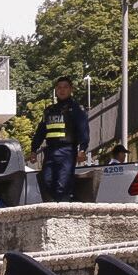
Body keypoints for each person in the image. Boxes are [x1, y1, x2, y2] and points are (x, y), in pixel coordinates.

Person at [31, 77, 90, 205]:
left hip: (67, 151)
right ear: (56, 90)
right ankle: (55, 207)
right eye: (59, 87)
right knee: (46, 181)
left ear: (71, 89)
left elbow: (83, 130)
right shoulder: (49, 111)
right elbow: (40, 132)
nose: (62, 90)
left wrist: (82, 149)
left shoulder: (76, 109)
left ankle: (63, 208)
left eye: (65, 87)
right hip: (50, 152)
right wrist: (33, 150)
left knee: (62, 184)